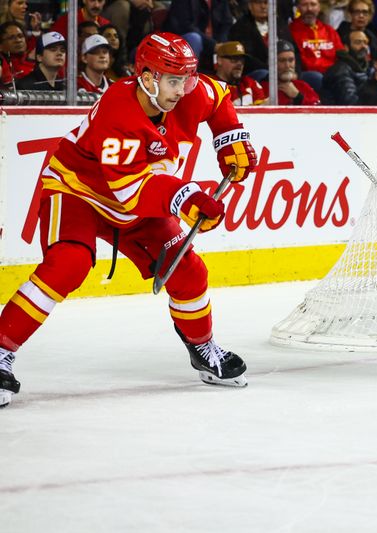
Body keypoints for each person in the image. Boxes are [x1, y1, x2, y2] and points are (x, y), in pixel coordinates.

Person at [0, 32, 258, 408]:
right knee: (68, 263)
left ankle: (202, 347)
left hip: (138, 198)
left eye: (187, 79)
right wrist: (185, 197)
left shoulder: (188, 90)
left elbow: (218, 99)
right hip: (79, 192)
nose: (184, 89)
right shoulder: (118, 108)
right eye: (174, 81)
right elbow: (130, 191)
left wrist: (230, 138)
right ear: (148, 77)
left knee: (187, 269)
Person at [228, 0, 295, 78]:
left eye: (266, 3)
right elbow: (247, 58)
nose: (263, 6)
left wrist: (296, 71)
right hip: (258, 74)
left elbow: (294, 51)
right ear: (250, 5)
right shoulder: (240, 28)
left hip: (284, 70)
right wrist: (273, 70)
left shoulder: (280, 24)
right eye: (258, 2)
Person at [289, 0, 345, 91]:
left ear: (319, 7)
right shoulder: (291, 31)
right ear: (298, 7)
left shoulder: (329, 31)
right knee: (317, 77)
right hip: (308, 75)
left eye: (313, 4)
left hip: (332, 74)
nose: (309, 9)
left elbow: (342, 55)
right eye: (304, 5)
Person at [262, 38, 321, 105]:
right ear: (271, 63)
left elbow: (319, 110)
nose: (287, 65)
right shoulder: (262, 89)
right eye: (282, 60)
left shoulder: (302, 86)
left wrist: (298, 96)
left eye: (291, 60)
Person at [322, 29, 370, 105]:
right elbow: (349, 101)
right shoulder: (340, 70)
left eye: (365, 42)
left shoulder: (367, 67)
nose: (363, 46)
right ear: (346, 47)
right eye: (358, 42)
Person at [213, 40, 266, 105]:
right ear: (219, 60)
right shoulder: (209, 87)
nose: (239, 63)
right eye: (234, 59)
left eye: (242, 60)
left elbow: (262, 112)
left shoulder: (250, 84)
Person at [0, 20, 35, 88]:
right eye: (11, 38)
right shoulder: (2, 62)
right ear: (0, 46)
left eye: (20, 36)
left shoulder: (36, 58)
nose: (18, 40)